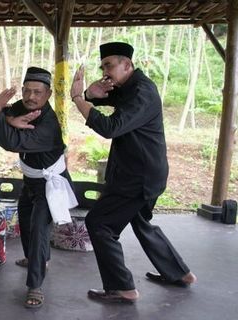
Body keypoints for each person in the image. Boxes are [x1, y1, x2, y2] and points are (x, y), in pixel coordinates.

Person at [70, 42, 197, 303]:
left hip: (138, 177)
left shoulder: (142, 91)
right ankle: (180, 274)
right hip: (143, 172)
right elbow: (107, 97)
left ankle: (122, 288)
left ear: (127, 65)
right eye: (103, 66)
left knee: (99, 223)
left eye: (109, 66)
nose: (105, 71)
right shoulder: (128, 87)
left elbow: (110, 127)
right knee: (139, 220)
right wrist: (92, 93)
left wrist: (79, 100)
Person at [0, 67, 78, 308]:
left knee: (38, 230)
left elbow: (12, 141)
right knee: (25, 221)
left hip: (49, 185)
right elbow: (5, 119)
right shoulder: (22, 107)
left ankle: (35, 285)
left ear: (47, 94)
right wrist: (7, 117)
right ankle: (37, 259)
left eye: (37, 92)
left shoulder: (48, 123)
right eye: (27, 90)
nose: (30, 96)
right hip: (30, 181)